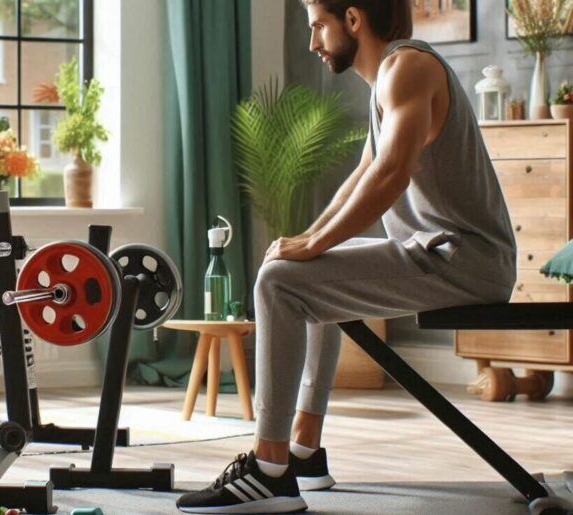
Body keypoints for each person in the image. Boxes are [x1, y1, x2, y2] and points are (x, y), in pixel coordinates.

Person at [176, 0, 517, 513]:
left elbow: (391, 174)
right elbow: (362, 175)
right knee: (296, 274)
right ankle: (303, 452)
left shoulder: (408, 69)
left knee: (278, 284)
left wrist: (311, 246)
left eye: (318, 26)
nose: (312, 42)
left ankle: (270, 469)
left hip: (462, 259)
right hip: (441, 254)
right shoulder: (391, 76)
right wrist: (307, 242)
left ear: (353, 20)